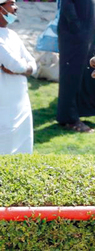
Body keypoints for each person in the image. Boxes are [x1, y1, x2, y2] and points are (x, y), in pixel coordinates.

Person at [57, 0, 95, 133]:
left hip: (89, 33)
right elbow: (67, 7)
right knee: (72, 76)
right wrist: (79, 30)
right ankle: (69, 119)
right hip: (75, 36)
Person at [0, 0, 36, 154]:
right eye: (11, 4)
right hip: (4, 100)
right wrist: (22, 68)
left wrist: (23, 68)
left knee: (23, 139)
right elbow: (15, 65)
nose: (16, 8)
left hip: (20, 99)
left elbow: (33, 65)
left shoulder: (12, 35)